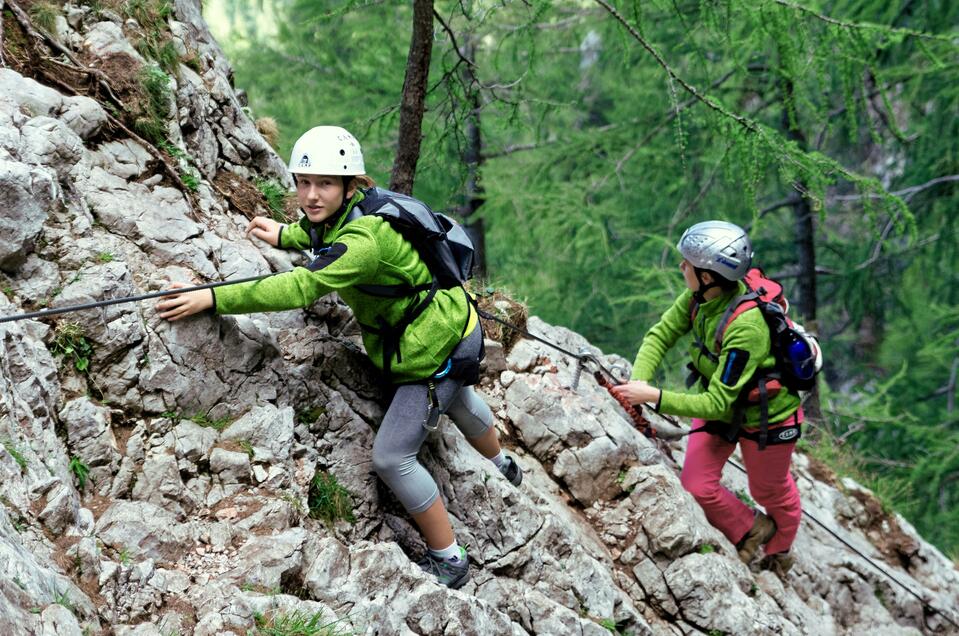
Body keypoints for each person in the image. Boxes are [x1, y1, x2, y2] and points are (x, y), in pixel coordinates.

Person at [156, 125, 522, 589]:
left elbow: (302, 284)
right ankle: (503, 466)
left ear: (351, 186)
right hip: (453, 327)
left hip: (433, 352)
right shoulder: (348, 213)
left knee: (392, 457)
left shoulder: (364, 241)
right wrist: (287, 235)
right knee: (462, 402)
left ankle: (449, 559)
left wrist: (213, 297)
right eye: (304, 183)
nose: (311, 195)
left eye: (325, 183)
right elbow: (322, 232)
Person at [611, 220, 802, 575]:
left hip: (769, 419)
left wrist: (654, 395)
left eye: (688, 264)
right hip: (725, 407)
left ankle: (780, 549)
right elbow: (660, 335)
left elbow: (717, 403)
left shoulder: (746, 327)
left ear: (710, 276)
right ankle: (752, 529)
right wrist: (639, 382)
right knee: (696, 484)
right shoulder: (699, 298)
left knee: (769, 490)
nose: (682, 267)